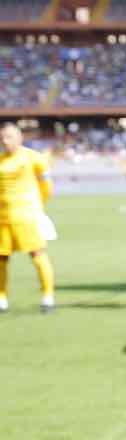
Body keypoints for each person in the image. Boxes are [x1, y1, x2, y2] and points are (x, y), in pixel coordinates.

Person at [0, 123, 56, 313]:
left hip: (26, 217)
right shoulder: (1, 160)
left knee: (37, 254)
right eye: (2, 138)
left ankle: (48, 297)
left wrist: (39, 206)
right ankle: (2, 298)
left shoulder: (32, 158)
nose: (5, 141)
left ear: (19, 137)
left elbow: (46, 184)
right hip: (3, 219)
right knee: (2, 258)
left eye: (9, 137)